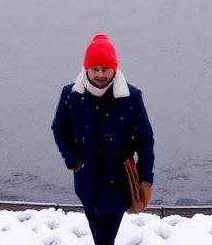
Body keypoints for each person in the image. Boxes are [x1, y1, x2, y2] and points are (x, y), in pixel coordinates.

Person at [52, 34, 154, 245]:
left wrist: (146, 179)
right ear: (86, 68)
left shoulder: (131, 97)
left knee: (104, 240)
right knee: (99, 235)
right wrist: (72, 158)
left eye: (105, 69)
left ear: (114, 69)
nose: (100, 74)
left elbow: (145, 140)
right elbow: (59, 129)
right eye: (95, 69)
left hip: (119, 185)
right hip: (86, 183)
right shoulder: (71, 95)